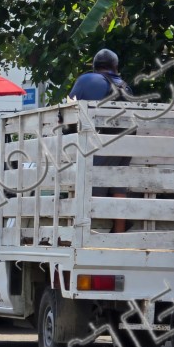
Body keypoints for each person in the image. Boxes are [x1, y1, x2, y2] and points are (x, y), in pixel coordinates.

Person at [69, 49, 134, 234]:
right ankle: (119, 229)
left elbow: (70, 108)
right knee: (118, 182)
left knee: (87, 180)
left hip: (103, 143)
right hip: (128, 144)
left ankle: (87, 230)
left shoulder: (87, 79)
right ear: (116, 67)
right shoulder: (125, 86)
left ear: (94, 66)